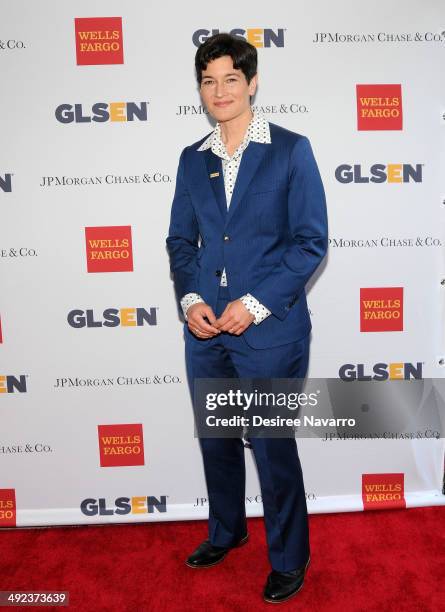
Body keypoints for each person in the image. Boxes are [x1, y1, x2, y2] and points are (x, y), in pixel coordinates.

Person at [166, 32, 328, 603]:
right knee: (216, 439)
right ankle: (226, 532)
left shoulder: (290, 150)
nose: (220, 90)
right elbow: (180, 242)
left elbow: (311, 242)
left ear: (252, 82)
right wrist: (191, 301)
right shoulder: (193, 159)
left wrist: (253, 304)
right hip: (206, 329)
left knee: (271, 443)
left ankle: (289, 557)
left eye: (230, 79)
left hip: (271, 332)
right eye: (209, 81)